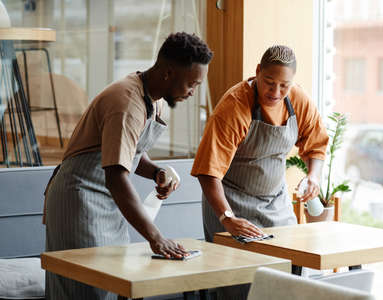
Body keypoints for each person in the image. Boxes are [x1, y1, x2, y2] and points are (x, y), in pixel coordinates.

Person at [44, 32, 213, 300]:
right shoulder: (127, 103)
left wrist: (156, 172)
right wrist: (156, 237)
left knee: (113, 286)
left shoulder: (155, 100)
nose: (193, 92)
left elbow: (127, 153)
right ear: (169, 73)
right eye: (191, 84)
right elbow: (115, 176)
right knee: (85, 290)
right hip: (79, 200)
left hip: (108, 204)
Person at [191, 45, 328, 299]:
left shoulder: (297, 99)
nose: (276, 92)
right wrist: (227, 218)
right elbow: (208, 172)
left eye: (284, 86)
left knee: (290, 275)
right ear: (257, 73)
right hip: (231, 202)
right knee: (242, 284)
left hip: (276, 201)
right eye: (269, 82)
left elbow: (316, 142)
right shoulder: (233, 106)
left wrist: (313, 176)